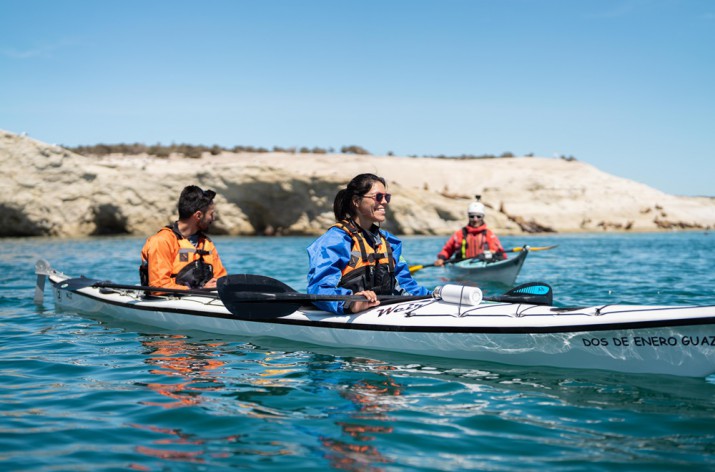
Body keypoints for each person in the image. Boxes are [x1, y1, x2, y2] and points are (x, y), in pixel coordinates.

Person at [307, 173, 431, 315]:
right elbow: (319, 288)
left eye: (387, 197)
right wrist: (351, 302)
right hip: (346, 310)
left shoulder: (390, 242)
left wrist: (435, 295)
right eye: (378, 197)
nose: (384, 202)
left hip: (385, 309)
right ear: (356, 201)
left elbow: (407, 286)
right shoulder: (335, 240)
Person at [140, 185, 228, 290]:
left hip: (203, 298)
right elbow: (159, 287)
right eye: (211, 214)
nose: (213, 219)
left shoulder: (206, 243)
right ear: (198, 215)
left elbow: (221, 278)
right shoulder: (161, 241)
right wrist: (200, 290)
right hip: (169, 299)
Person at [433, 201, 507, 267]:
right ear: (468, 217)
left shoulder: (489, 235)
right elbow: (447, 250)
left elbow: (502, 254)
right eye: (472, 216)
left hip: (484, 265)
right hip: (463, 266)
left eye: (478, 216)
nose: (475, 219)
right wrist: (441, 259)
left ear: (482, 217)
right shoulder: (459, 234)